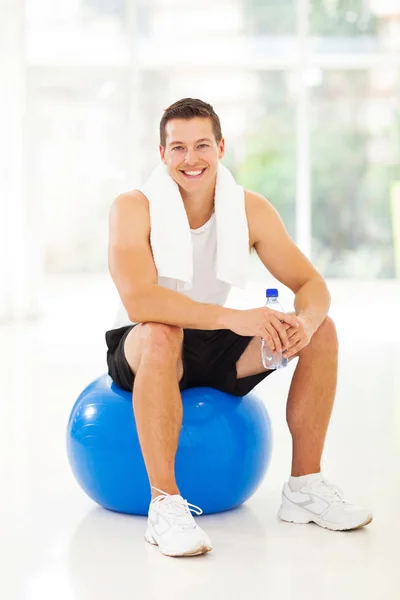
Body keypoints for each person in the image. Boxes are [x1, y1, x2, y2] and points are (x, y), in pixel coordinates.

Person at [106, 98, 372, 558]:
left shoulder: (249, 209)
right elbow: (141, 300)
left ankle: (304, 488)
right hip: (142, 340)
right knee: (164, 332)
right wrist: (237, 318)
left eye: (202, 145)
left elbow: (310, 283)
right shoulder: (133, 208)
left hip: (209, 339)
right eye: (179, 148)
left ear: (222, 147)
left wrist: (303, 325)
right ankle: (165, 507)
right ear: (162, 153)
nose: (191, 159)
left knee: (323, 330)